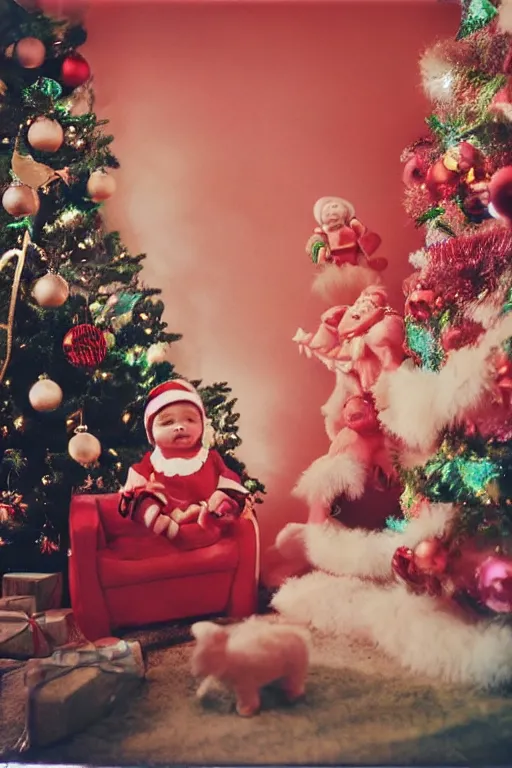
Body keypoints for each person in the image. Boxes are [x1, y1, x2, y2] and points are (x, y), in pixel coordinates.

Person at [119, 379, 249, 549]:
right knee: (141, 497)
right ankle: (159, 522)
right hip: (167, 515)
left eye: (189, 420)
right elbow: (135, 482)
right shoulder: (153, 460)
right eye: (167, 422)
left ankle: (197, 528)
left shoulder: (210, 457)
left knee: (223, 502)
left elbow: (228, 478)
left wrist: (220, 498)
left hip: (204, 512)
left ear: (202, 426)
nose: (180, 427)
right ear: (151, 433)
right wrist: (132, 492)